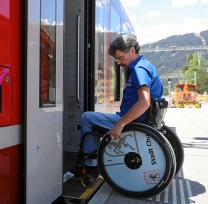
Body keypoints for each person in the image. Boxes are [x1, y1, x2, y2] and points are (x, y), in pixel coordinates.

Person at [70, 33, 163, 178]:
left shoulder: (139, 70)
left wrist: (120, 124)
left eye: (120, 58)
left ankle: (90, 167)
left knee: (87, 117)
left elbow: (144, 102)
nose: (119, 62)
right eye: (116, 59)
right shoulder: (146, 65)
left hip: (133, 122)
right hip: (140, 120)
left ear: (132, 50)